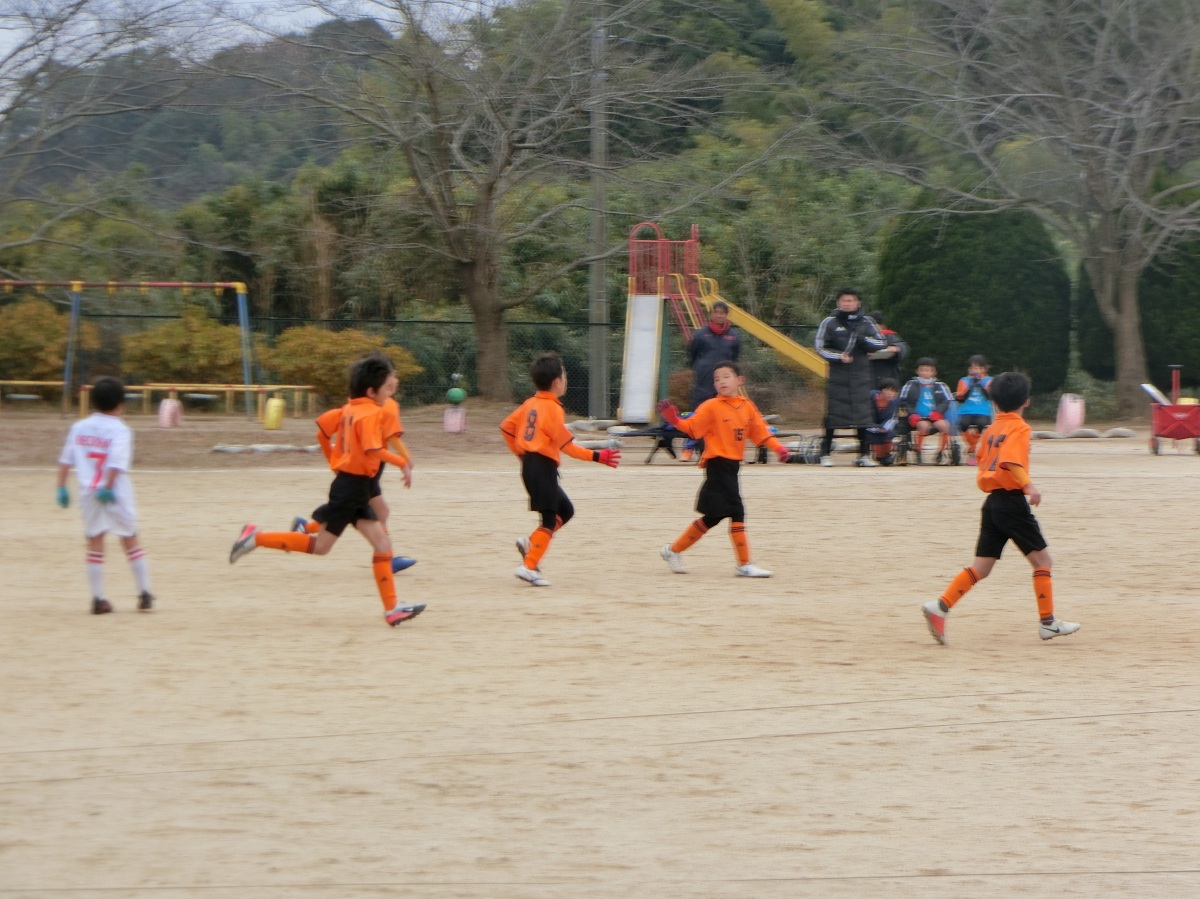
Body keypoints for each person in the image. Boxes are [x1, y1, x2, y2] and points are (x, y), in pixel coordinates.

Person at [228, 354, 426, 627]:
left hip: (354, 486)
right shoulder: (370, 412)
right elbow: (373, 449)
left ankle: (392, 609)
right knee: (322, 546)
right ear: (371, 392)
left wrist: (336, 460)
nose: (389, 390)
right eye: (385, 387)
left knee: (381, 543)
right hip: (352, 488)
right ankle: (256, 538)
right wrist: (402, 462)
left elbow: (324, 428)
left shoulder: (350, 408)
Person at [921, 371, 1080, 645]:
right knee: (1043, 562)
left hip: (993, 503)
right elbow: (1010, 461)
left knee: (981, 567)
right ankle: (1048, 623)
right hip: (1011, 502)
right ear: (1026, 401)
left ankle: (940, 606)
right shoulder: (1020, 428)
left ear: (994, 402)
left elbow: (983, 457)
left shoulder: (992, 429)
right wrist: (1029, 486)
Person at [656, 361, 791, 578]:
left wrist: (779, 448)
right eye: (717, 379)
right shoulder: (710, 406)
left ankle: (672, 550)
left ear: (739, 380)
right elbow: (692, 428)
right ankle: (744, 564)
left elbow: (761, 432)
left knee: (712, 517)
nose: (721, 381)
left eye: (726, 376)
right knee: (737, 510)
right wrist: (675, 420)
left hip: (732, 467)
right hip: (717, 465)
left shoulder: (747, 406)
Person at [500, 352, 621, 587]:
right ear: (557, 382)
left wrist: (521, 453)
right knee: (548, 520)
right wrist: (599, 456)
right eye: (564, 375)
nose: (565, 379)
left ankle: (531, 543)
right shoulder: (553, 409)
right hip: (542, 468)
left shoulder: (530, 403)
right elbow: (568, 448)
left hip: (532, 466)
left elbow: (506, 428)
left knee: (565, 511)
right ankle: (529, 566)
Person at [291, 355, 417, 572]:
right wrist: (404, 459)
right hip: (367, 468)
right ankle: (386, 556)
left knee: (366, 510)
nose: (395, 380)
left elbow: (324, 433)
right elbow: (389, 439)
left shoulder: (364, 405)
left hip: (368, 467)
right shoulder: (380, 407)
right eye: (393, 375)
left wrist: (336, 461)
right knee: (374, 510)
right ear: (375, 387)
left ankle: (308, 526)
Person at [56, 376, 154, 615]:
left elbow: (66, 460)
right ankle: (144, 592)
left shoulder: (79, 427)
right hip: (116, 492)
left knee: (95, 541)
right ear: (121, 403)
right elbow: (116, 463)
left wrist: (61, 487)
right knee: (129, 538)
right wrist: (108, 487)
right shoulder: (121, 430)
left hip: (89, 493)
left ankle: (98, 598)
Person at [814, 287, 888, 467]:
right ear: (838, 303)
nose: (848, 304)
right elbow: (820, 347)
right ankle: (825, 453)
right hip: (838, 377)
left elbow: (881, 342)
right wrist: (838, 356)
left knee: (863, 417)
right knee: (833, 416)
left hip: (861, 376)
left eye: (851, 300)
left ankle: (864, 454)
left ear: (858, 303)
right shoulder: (829, 322)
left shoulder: (867, 322)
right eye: (844, 300)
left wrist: (863, 340)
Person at [684, 300, 741, 461]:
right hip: (703, 383)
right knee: (698, 416)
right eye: (716, 312)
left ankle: (722, 451)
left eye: (722, 313)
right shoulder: (700, 334)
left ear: (726, 315)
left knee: (725, 419)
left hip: (724, 387)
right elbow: (692, 355)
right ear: (711, 314)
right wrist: (701, 369)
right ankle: (690, 448)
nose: (719, 315)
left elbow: (734, 359)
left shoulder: (734, 337)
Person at [898, 358, 955, 463]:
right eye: (922, 370)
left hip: (935, 415)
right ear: (917, 371)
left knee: (945, 426)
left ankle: (940, 452)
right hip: (918, 417)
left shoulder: (941, 385)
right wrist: (911, 413)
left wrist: (938, 411)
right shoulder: (910, 384)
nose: (924, 373)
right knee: (923, 426)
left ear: (933, 372)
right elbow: (903, 401)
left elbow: (946, 401)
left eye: (927, 370)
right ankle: (918, 450)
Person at [954, 354, 994, 465]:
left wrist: (980, 384)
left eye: (978, 368)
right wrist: (971, 385)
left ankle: (971, 449)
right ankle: (972, 447)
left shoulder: (989, 380)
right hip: (966, 410)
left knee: (981, 424)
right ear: (969, 370)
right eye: (972, 368)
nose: (975, 371)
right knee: (962, 424)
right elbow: (960, 398)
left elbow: (989, 396)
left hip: (982, 411)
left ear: (983, 369)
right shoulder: (964, 380)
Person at [867, 311, 908, 387]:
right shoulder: (862, 338)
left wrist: (896, 348)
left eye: (876, 325)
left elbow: (902, 347)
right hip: (868, 381)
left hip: (888, 381)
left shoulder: (889, 337)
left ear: (882, 326)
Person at [865, 378, 901, 465]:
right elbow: (866, 416)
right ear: (881, 390)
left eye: (892, 391)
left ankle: (887, 454)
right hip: (869, 425)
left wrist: (885, 428)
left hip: (885, 427)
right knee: (869, 433)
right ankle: (876, 455)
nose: (889, 393)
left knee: (888, 432)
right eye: (887, 390)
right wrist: (876, 428)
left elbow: (893, 418)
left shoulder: (894, 403)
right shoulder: (870, 398)